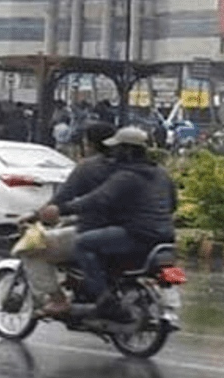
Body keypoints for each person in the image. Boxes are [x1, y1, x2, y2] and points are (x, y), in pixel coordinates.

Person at [37, 125, 178, 321]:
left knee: (83, 243)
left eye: (117, 148)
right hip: (165, 237)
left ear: (127, 151)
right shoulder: (161, 173)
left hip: (136, 235)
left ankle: (104, 299)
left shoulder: (126, 177)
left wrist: (62, 209)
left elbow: (97, 199)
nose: (114, 152)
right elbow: (173, 204)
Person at [23, 120, 118, 318]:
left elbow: (60, 199)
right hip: (124, 232)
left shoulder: (87, 167)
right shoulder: (129, 168)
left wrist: (36, 215)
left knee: (32, 248)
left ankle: (58, 300)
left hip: (94, 232)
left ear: (90, 144)